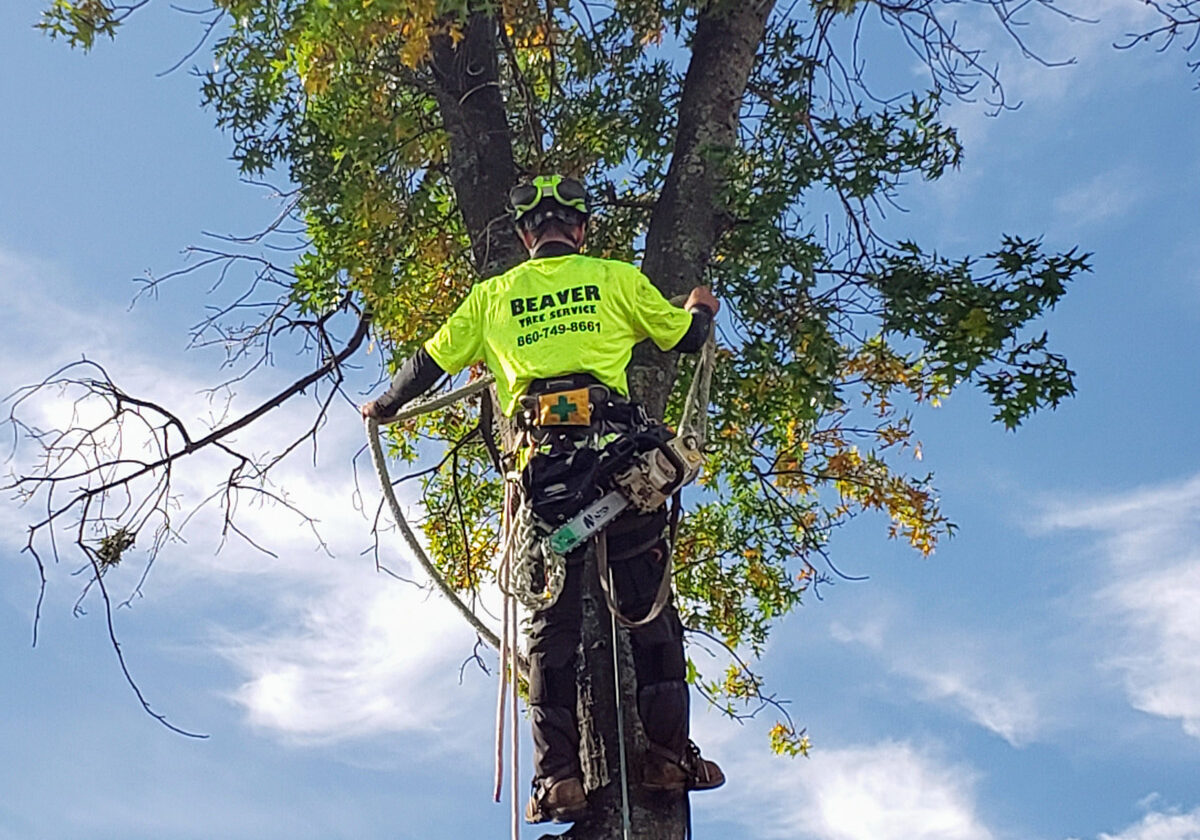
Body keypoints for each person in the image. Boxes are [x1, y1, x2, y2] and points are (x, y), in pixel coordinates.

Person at [361, 174, 724, 824]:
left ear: (527, 235)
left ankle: (558, 777)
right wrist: (699, 306)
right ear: (580, 229)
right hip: (622, 464)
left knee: (552, 623)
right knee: (650, 611)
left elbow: (428, 363)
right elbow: (687, 339)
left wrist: (386, 403)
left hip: (549, 473)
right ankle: (667, 756)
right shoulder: (615, 278)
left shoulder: (492, 296)